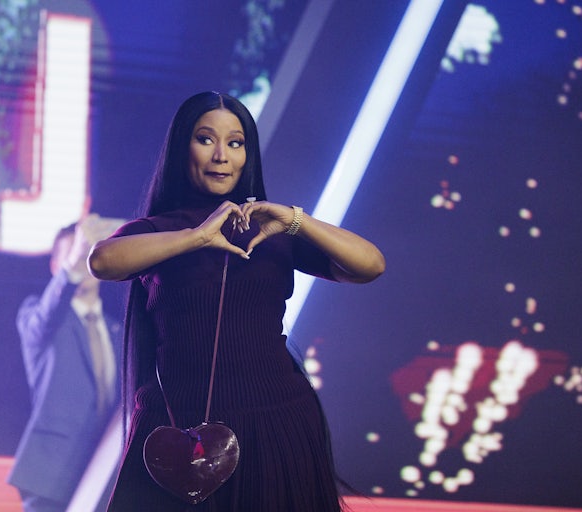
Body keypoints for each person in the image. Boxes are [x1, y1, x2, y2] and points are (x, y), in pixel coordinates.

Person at [87, 91, 385, 511]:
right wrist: (197, 237)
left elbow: (371, 264)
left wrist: (296, 221)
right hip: (177, 427)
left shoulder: (271, 230)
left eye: (236, 142)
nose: (221, 156)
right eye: (205, 139)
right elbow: (102, 261)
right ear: (181, 148)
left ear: (248, 154)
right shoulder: (157, 231)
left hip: (274, 421)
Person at [8, 214, 124, 512]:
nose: (85, 261)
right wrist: (74, 260)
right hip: (53, 476)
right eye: (77, 254)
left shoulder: (117, 331)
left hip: (104, 475)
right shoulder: (39, 318)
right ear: (57, 265)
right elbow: (47, 312)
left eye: (90, 252)